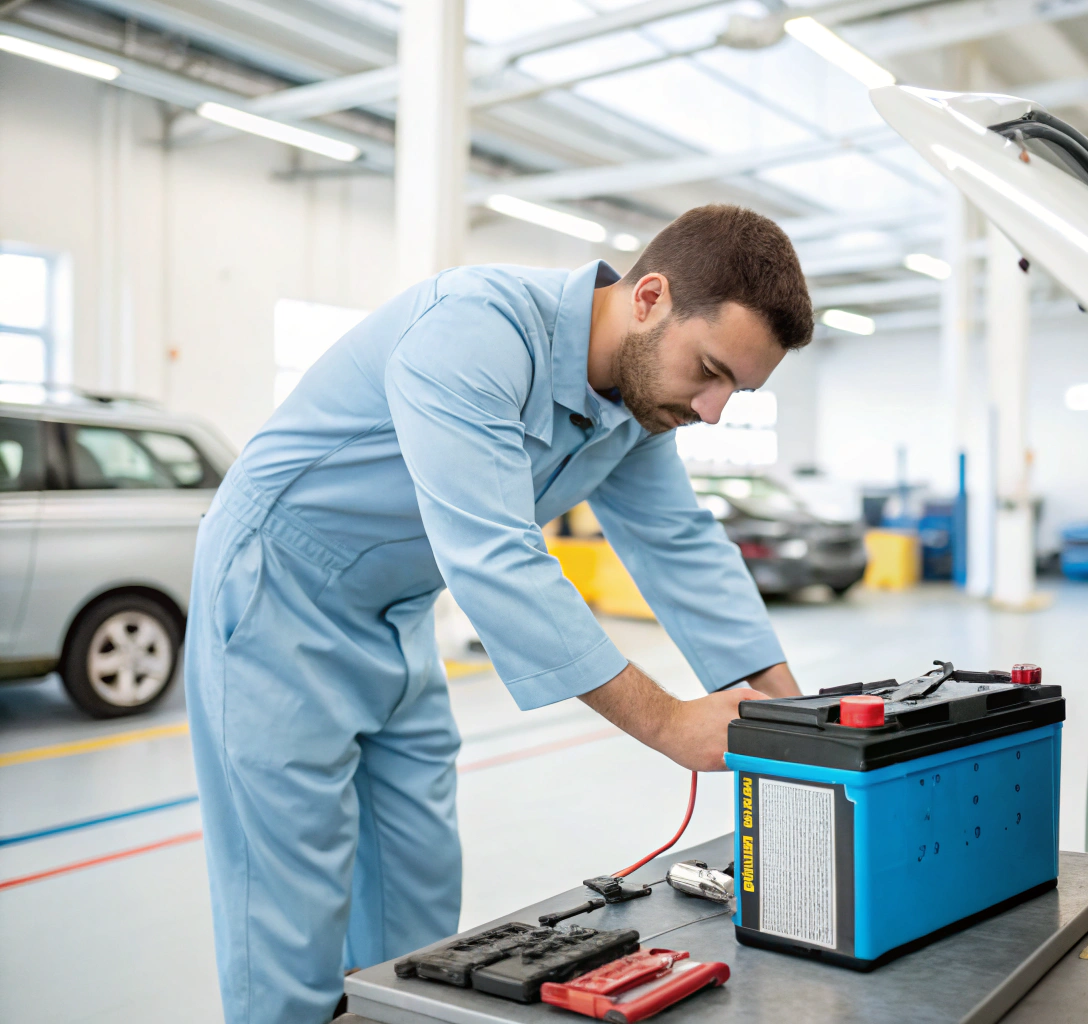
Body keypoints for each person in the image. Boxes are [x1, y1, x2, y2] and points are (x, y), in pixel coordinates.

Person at [183, 204, 814, 1024]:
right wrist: (666, 724)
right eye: (711, 370)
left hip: (394, 608)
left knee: (416, 898)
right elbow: (496, 558)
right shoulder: (473, 331)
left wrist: (811, 728)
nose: (712, 410)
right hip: (275, 588)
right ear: (649, 297)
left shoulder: (630, 405)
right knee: (290, 914)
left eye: (738, 388)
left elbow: (681, 547)